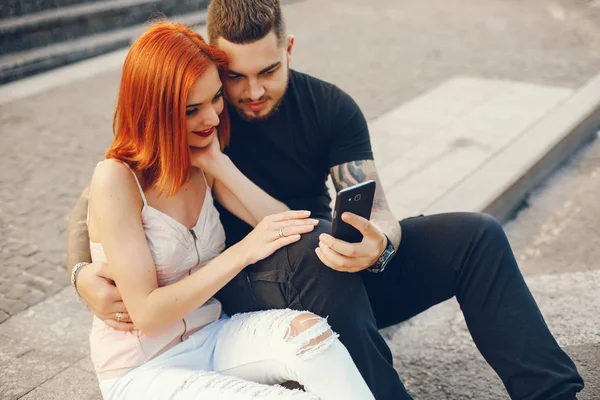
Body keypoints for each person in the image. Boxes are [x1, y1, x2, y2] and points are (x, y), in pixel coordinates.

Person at [66, 1, 585, 399]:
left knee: (475, 236)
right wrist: (80, 273)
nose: (249, 93)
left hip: (317, 259)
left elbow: (375, 206)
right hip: (242, 290)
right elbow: (99, 199)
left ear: (288, 49)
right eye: (234, 77)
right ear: (210, 60)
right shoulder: (196, 115)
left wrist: (378, 245)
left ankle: (551, 393)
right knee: (319, 252)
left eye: (267, 72)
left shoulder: (330, 108)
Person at [80, 21, 374, 400]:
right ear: (154, 111)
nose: (213, 118)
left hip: (214, 334)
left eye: (216, 98)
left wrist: (219, 165)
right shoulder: (116, 180)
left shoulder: (201, 161)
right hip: (144, 366)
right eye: (191, 109)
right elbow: (147, 314)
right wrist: (244, 250)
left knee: (313, 336)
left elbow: (287, 224)